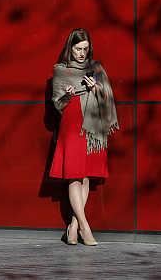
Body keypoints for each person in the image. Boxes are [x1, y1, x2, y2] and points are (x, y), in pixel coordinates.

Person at [49, 28, 119, 246]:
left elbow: (108, 97)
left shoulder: (95, 68)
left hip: (92, 125)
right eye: (78, 49)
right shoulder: (61, 71)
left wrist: (96, 88)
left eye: (85, 49)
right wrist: (68, 95)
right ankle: (85, 226)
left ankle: (73, 226)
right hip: (71, 123)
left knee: (86, 175)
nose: (81, 53)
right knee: (74, 175)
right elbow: (57, 104)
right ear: (70, 48)